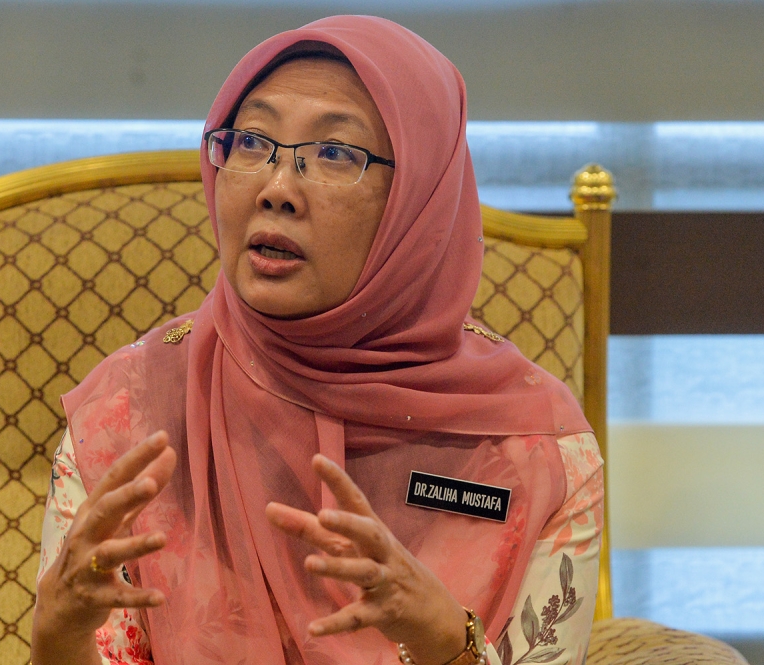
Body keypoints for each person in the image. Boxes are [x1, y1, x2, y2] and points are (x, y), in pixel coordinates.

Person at [31, 15, 603, 665]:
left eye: (335, 153)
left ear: (418, 198)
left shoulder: (538, 453)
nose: (276, 188)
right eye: (251, 141)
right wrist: (60, 637)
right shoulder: (131, 413)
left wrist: (447, 641)